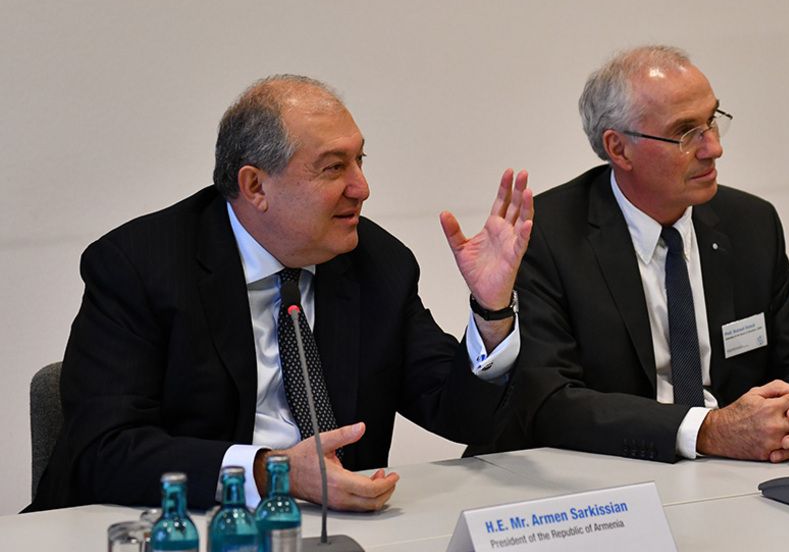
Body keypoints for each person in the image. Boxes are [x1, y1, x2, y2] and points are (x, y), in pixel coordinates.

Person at [31, 75, 532, 513]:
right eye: (333, 168)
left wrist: (490, 312)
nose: (362, 187)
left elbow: (464, 416)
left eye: (359, 160)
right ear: (255, 187)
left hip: (331, 536)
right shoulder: (140, 267)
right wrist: (273, 473)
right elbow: (106, 452)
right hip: (165, 530)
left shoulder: (377, 263)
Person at [471, 46, 789, 463]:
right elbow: (550, 400)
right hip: (610, 472)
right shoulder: (546, 236)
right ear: (619, 149)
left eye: (712, 121)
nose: (713, 148)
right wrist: (707, 431)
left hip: (738, 469)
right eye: (686, 133)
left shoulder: (750, 223)